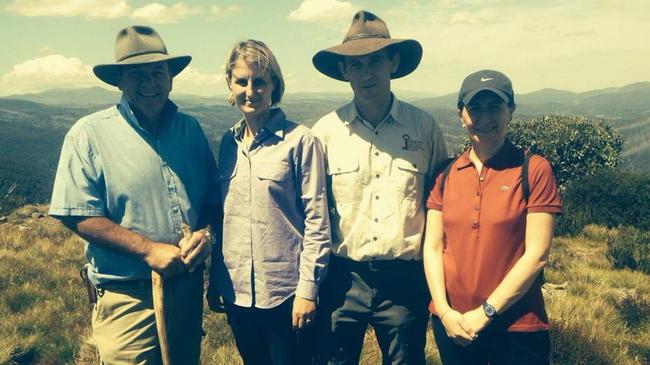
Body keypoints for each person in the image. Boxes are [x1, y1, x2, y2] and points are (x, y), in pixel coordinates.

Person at [49, 25, 219, 364]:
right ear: (119, 82)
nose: (149, 83)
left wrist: (206, 233)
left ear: (171, 77)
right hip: (126, 296)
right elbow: (75, 213)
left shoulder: (189, 129)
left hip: (184, 292)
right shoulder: (90, 134)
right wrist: (148, 250)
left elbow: (212, 198)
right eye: (136, 75)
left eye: (158, 72)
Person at [311, 11, 448, 364]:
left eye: (375, 61)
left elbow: (441, 205)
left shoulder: (424, 129)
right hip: (342, 278)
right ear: (344, 72)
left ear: (393, 62)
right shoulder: (325, 133)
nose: (366, 72)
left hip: (404, 280)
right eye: (355, 65)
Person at [423, 69, 562, 364]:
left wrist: (486, 312)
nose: (484, 118)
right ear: (461, 114)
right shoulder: (445, 174)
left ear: (510, 110)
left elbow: (537, 254)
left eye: (494, 107)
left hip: (518, 327)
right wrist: (445, 312)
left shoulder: (534, 169)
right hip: (454, 325)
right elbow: (433, 247)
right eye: (474, 108)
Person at [206, 39, 331, 365]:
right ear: (230, 86)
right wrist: (216, 278)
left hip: (285, 293)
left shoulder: (300, 141)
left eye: (259, 81)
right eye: (242, 81)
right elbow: (224, 219)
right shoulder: (227, 144)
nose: (250, 90)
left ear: (274, 84)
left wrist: (307, 291)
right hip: (237, 293)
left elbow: (317, 221)